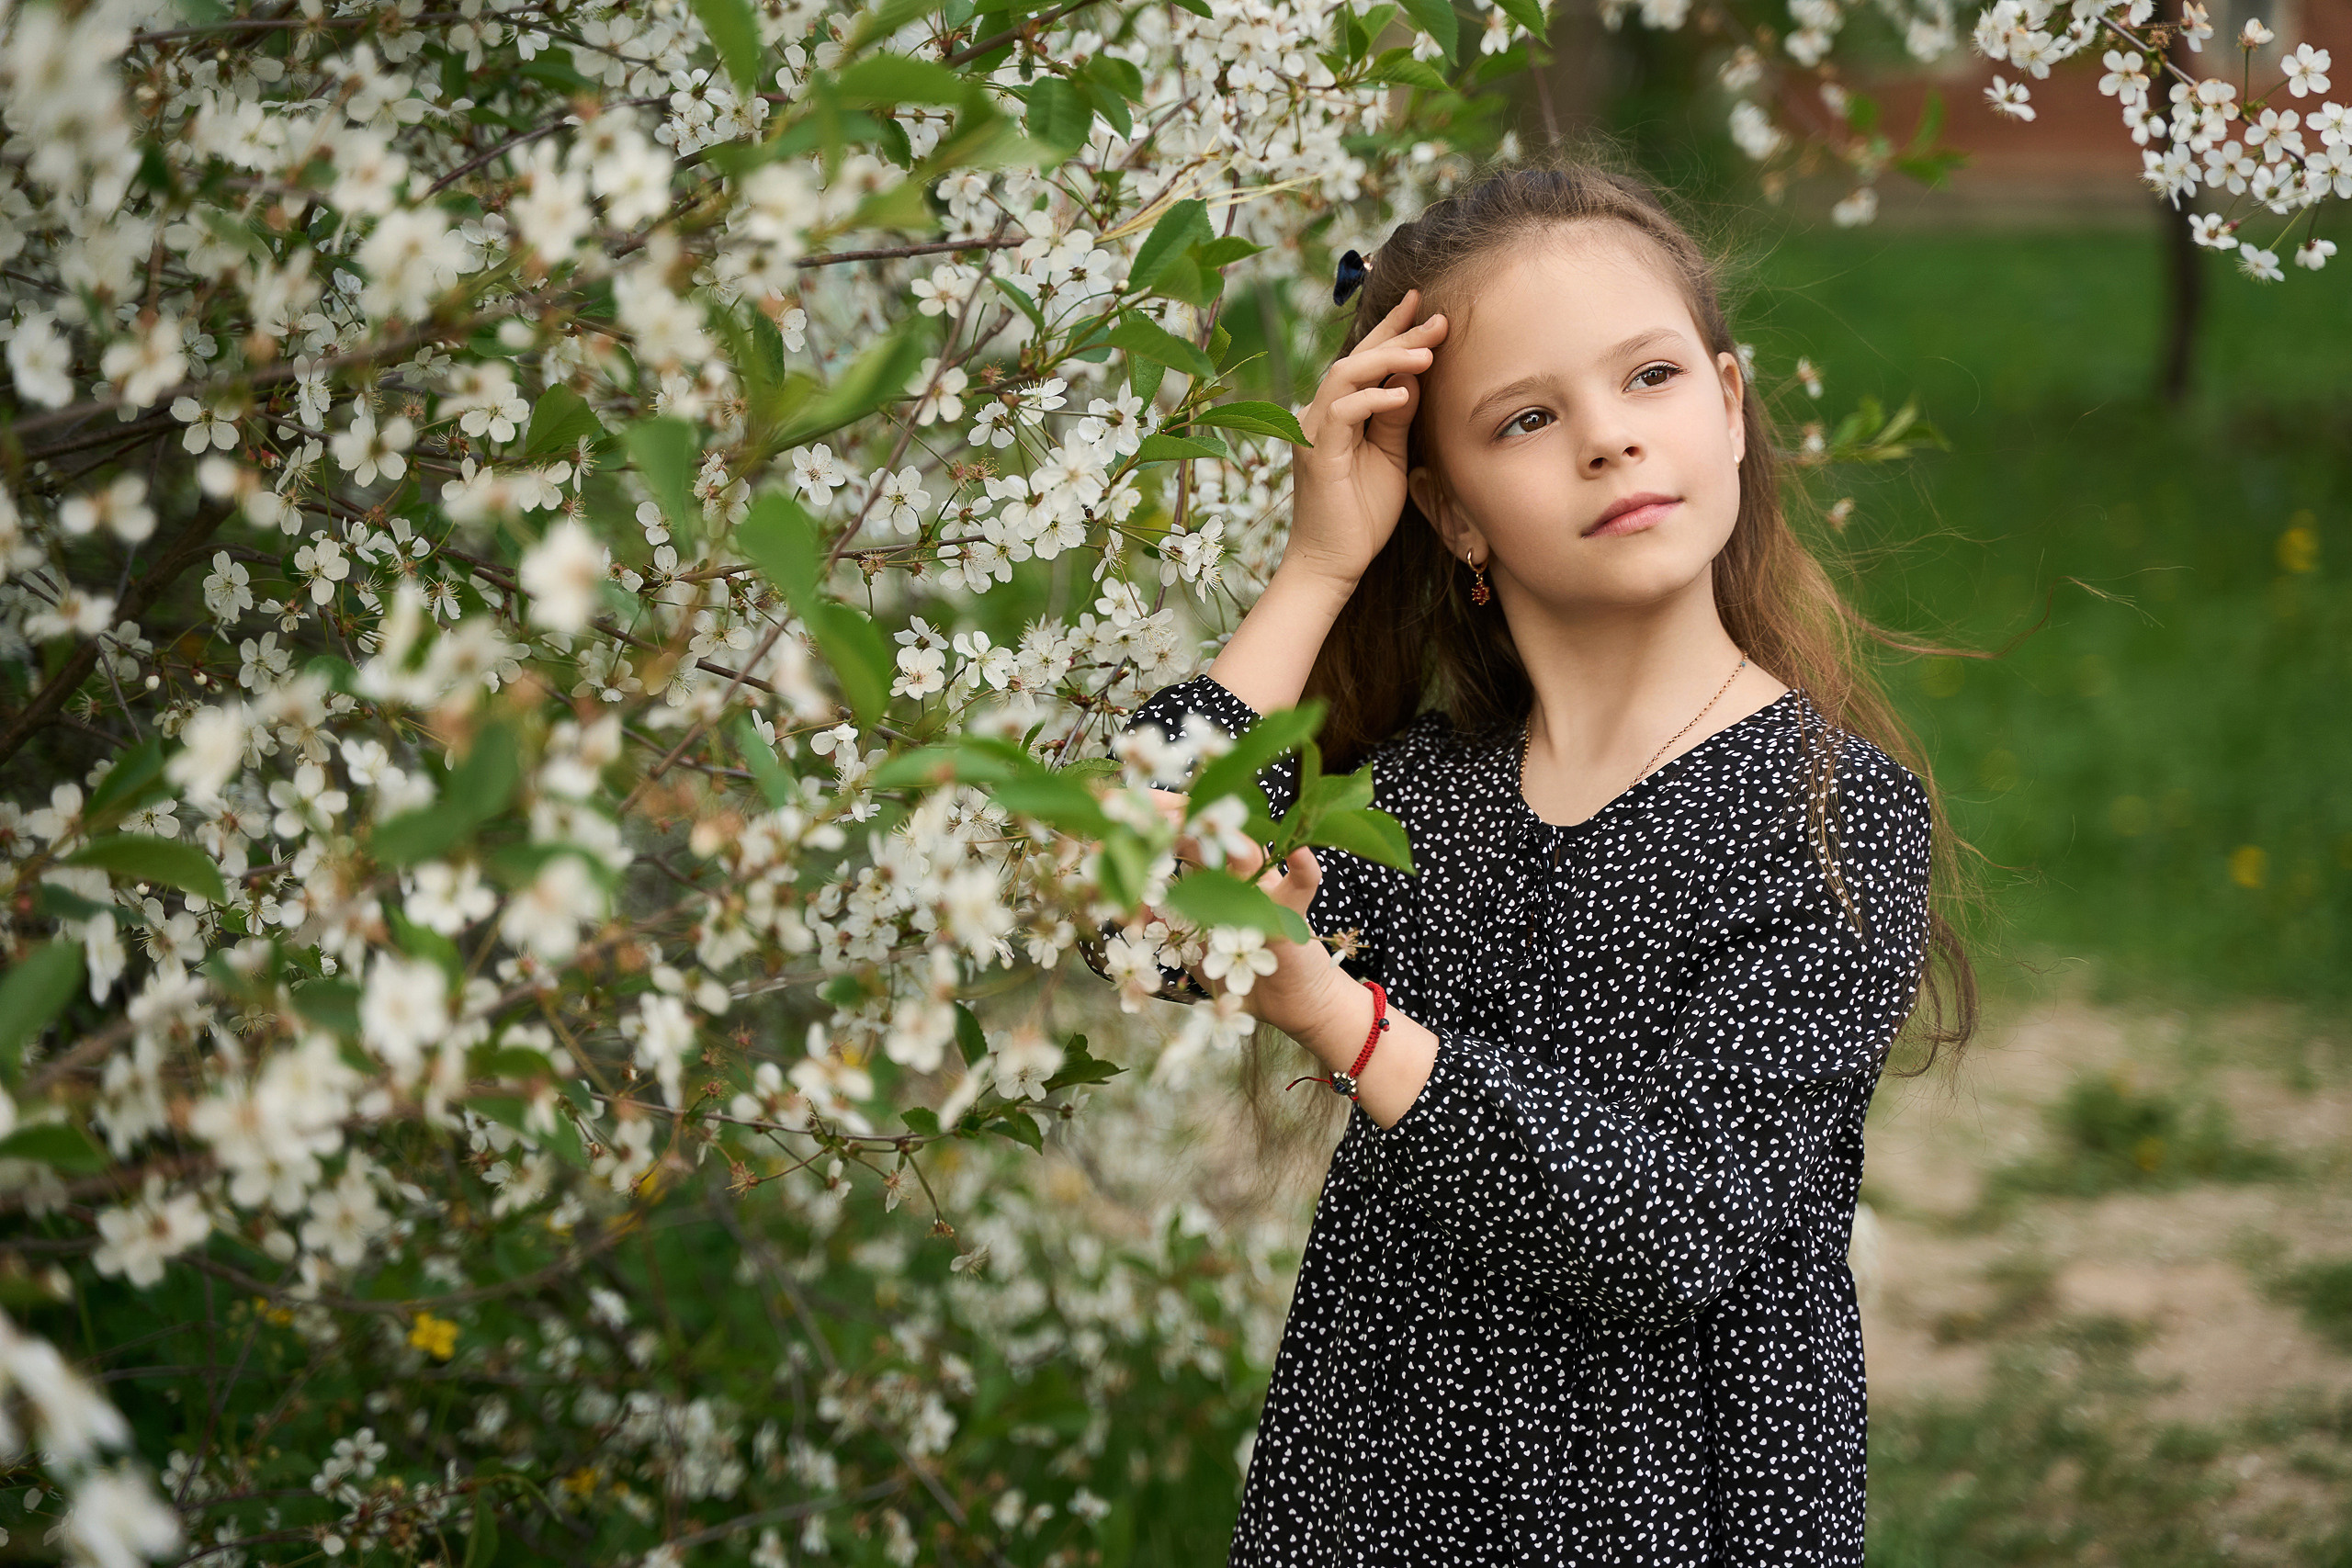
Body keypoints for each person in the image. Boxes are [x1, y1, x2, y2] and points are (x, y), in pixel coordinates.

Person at [1105, 155, 1979, 1565]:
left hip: (1666, 1512)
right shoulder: (1423, 802)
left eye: (1650, 379)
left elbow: (1670, 1233)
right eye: (1527, 418)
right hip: (1376, 1494)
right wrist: (1320, 565)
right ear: (1449, 510)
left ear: (1733, 408)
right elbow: (1131, 899)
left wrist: (1338, 1012)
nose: (1609, 441)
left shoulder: (1829, 815)